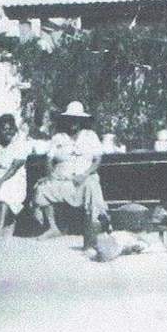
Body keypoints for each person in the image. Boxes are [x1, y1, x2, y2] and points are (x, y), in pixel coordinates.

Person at [33, 101, 109, 255]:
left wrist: (84, 174)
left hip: (84, 178)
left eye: (76, 119)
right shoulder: (58, 137)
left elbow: (98, 160)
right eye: (70, 119)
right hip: (62, 179)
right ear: (66, 120)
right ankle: (52, 228)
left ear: (81, 121)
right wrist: (49, 175)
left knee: (92, 187)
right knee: (42, 188)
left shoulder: (90, 136)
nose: (73, 122)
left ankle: (92, 231)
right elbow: (49, 159)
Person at [0, 114, 30, 241]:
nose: (8, 132)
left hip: (13, 176)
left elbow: (15, 167)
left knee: (5, 188)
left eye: (11, 129)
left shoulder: (20, 144)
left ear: (15, 130)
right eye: (4, 129)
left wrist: (0, 182)